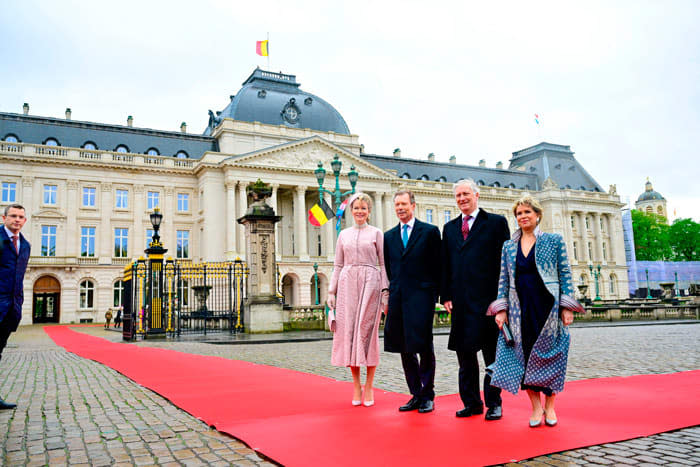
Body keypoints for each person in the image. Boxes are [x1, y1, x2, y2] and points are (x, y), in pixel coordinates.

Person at [487, 196, 583, 427]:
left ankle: (550, 406)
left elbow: (565, 274)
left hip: (547, 308)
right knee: (524, 357)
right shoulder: (508, 246)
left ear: (538, 214)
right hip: (520, 310)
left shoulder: (553, 240)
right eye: (519, 213)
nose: (523, 216)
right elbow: (503, 279)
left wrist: (567, 307)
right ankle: (536, 407)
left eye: (527, 212)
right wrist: (501, 310)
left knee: (551, 356)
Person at [441, 179, 510, 420]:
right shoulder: (449, 229)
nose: (462, 199)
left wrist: (504, 301)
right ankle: (471, 403)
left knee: (492, 356)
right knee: (465, 359)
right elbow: (446, 265)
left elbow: (506, 265)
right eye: (458, 195)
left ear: (477, 195)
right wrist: (446, 296)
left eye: (466, 194)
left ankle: (494, 403)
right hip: (461, 303)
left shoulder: (496, 223)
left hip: (489, 303)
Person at [327, 192, 389, 407]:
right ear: (351, 211)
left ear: (369, 211)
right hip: (347, 286)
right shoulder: (343, 234)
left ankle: (370, 385)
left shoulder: (377, 233)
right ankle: (356, 385)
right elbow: (337, 265)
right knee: (350, 336)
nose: (360, 211)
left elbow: (383, 264)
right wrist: (331, 292)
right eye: (356, 208)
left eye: (363, 208)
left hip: (370, 284)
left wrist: (385, 292)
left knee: (367, 335)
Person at [383, 190, 441, 413]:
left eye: (404, 204)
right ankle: (416, 393)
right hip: (399, 298)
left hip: (422, 298)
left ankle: (428, 394)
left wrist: (435, 296)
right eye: (397, 205)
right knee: (404, 348)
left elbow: (438, 266)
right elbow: (390, 268)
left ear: (413, 205)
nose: (400, 208)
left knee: (424, 346)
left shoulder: (429, 232)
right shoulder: (389, 237)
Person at [0, 204, 31, 410]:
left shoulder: (25, 245)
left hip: (11, 307)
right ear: (4, 218)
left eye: (20, 217)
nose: (17, 220)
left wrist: (18, 303)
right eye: (13, 216)